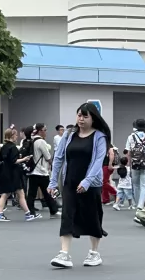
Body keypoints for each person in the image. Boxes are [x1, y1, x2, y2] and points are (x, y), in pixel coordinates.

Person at [47, 104, 110, 267]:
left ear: (93, 118)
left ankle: (94, 253)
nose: (81, 119)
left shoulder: (99, 137)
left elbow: (98, 161)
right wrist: (53, 182)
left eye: (85, 116)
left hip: (91, 183)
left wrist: (87, 181)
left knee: (93, 217)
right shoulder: (69, 135)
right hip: (70, 182)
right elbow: (58, 158)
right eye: (79, 115)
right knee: (67, 215)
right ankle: (64, 254)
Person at [0, 128, 37, 220]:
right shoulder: (13, 147)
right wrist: (24, 159)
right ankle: (28, 214)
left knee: (5, 194)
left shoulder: (4, 147)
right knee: (20, 193)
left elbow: (0, 158)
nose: (17, 137)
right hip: (13, 173)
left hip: (5, 173)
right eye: (16, 135)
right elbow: (14, 161)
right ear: (12, 135)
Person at [27, 123, 60, 219]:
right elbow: (48, 156)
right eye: (45, 130)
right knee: (47, 192)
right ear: (40, 130)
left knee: (31, 193)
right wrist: (52, 164)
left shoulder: (32, 140)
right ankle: (53, 211)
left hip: (33, 170)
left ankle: (30, 212)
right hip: (41, 171)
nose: (46, 132)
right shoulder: (41, 141)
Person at [124, 118, 145, 210]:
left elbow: (128, 154)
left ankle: (137, 204)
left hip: (134, 164)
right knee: (144, 185)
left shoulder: (130, 137)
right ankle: (141, 205)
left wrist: (128, 166)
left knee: (136, 185)